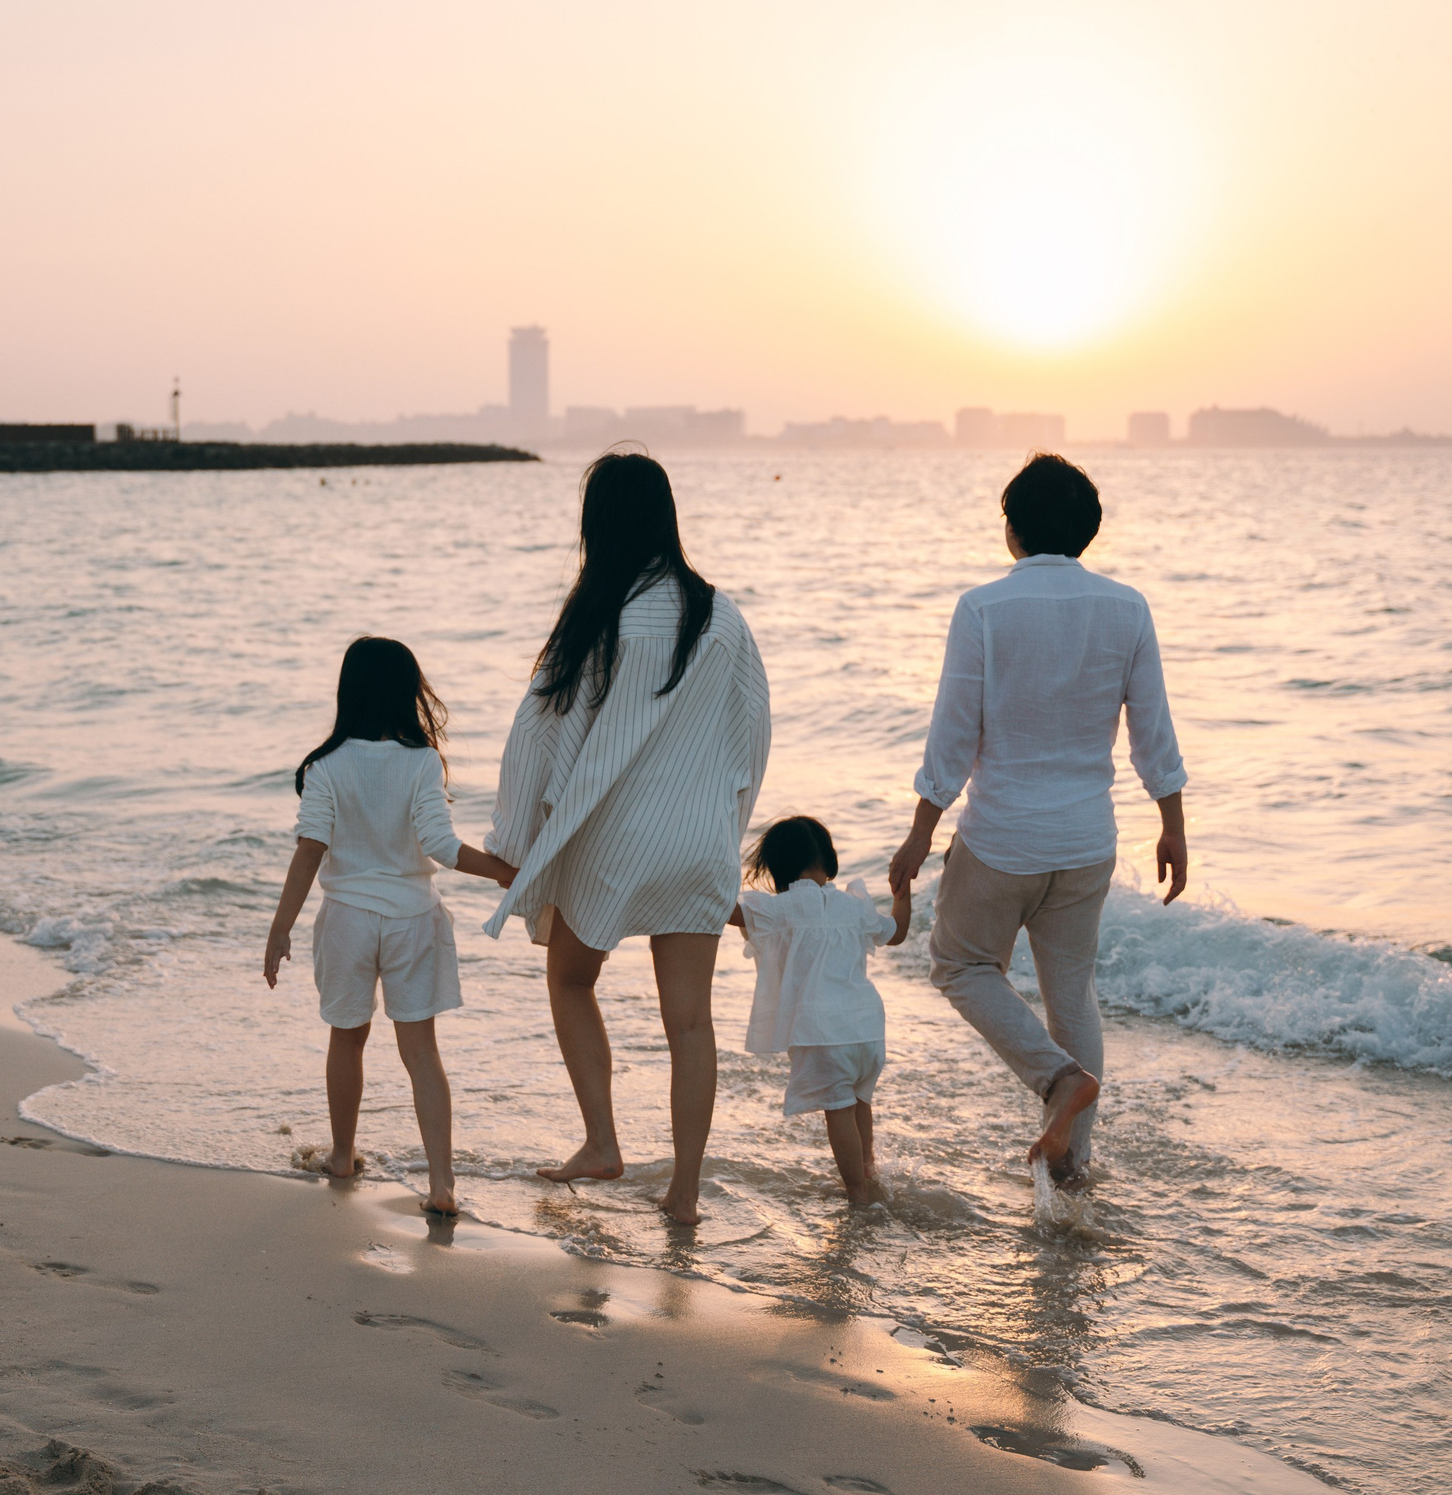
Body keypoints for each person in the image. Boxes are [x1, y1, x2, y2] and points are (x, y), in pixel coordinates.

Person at [485, 451, 771, 1226]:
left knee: (572, 980)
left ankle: (603, 1142)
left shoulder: (602, 610)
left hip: (616, 843)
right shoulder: (723, 615)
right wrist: (724, 827)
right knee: (690, 1024)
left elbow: (542, 732)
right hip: (696, 841)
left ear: (598, 524)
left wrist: (517, 838)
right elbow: (753, 737)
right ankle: (684, 1192)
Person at [887, 454, 1188, 1189]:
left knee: (959, 965)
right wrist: (1173, 825)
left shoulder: (984, 608)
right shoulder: (1128, 607)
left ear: (1011, 529)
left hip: (1001, 839)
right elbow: (1154, 731)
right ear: (1087, 530)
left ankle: (1056, 1080)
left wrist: (922, 831)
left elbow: (954, 733)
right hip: (1088, 842)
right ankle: (1073, 1164)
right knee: (1071, 991)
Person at [262, 636, 516, 1217]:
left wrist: (280, 930)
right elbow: (442, 847)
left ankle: (344, 1156)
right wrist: (506, 872)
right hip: (413, 920)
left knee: (347, 1039)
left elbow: (309, 851)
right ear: (408, 692)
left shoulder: (326, 765)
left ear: (348, 691)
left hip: (347, 920)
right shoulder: (422, 760)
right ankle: (442, 1185)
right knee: (421, 1052)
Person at [729, 816, 908, 1208]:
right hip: (867, 1027)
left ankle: (859, 1197)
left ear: (776, 867)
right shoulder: (853, 905)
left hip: (823, 1030)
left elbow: (727, 910)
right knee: (860, 1100)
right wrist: (902, 888)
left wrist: (713, 860)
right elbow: (898, 931)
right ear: (829, 861)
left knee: (838, 1111)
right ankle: (869, 1174)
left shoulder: (781, 909)